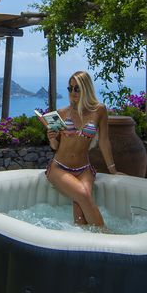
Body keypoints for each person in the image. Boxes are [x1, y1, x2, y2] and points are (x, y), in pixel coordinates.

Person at [45, 71, 117, 229]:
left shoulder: (99, 111)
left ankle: (87, 246)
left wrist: (113, 170)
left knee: (80, 215)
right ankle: (108, 238)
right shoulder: (62, 113)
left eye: (77, 88)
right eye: (70, 89)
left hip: (84, 169)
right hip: (59, 168)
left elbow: (104, 141)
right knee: (84, 195)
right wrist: (51, 137)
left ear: (86, 88)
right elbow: (55, 146)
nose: (73, 92)